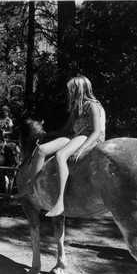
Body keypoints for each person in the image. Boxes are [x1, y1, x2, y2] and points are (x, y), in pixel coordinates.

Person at [15, 75, 106, 217]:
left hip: (91, 137)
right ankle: (30, 186)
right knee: (41, 150)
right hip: (77, 136)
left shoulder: (92, 105)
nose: (69, 93)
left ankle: (60, 202)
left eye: (72, 90)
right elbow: (65, 131)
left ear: (80, 90)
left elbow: (96, 131)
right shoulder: (76, 108)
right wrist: (46, 134)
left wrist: (81, 149)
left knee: (60, 155)